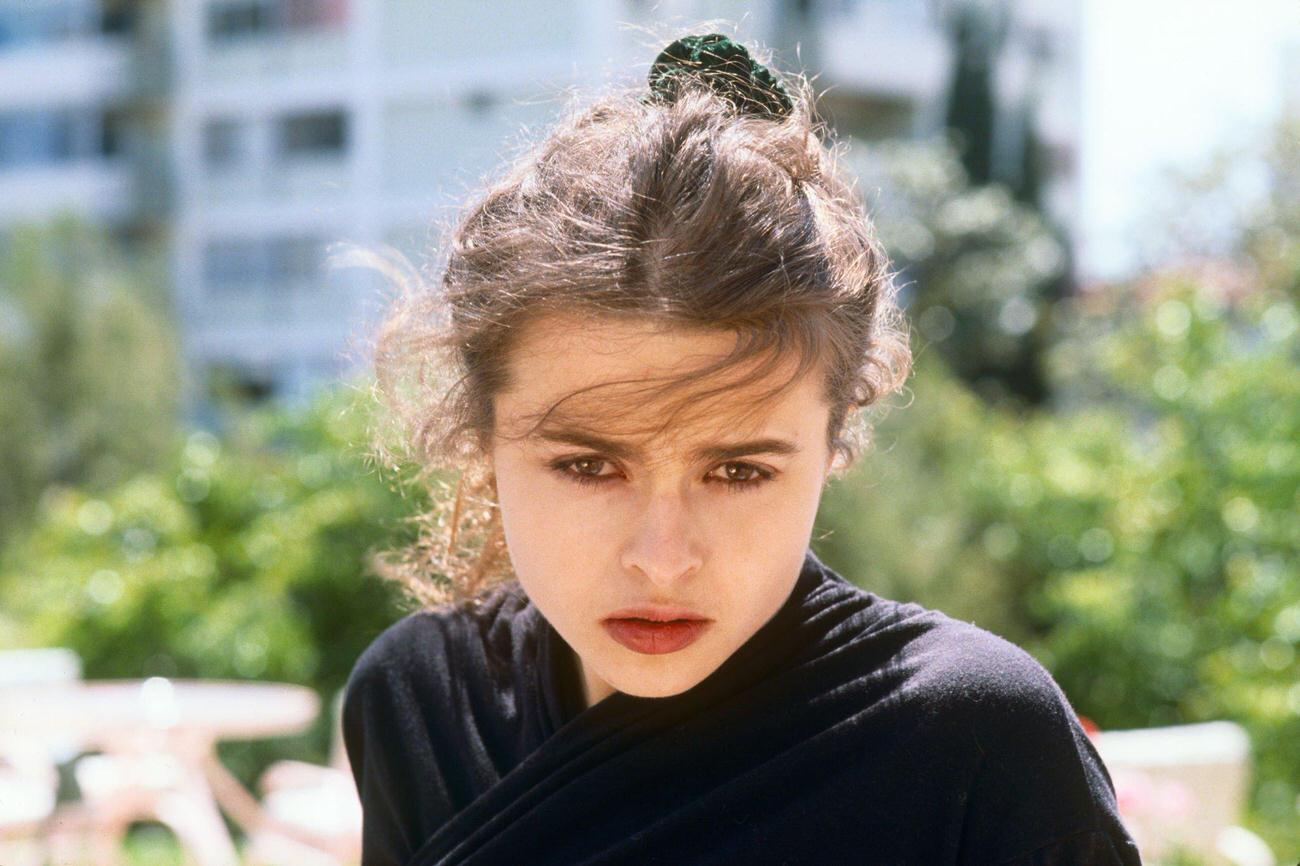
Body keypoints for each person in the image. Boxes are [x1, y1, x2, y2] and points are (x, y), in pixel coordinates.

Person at [341, 32, 1141, 866]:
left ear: (835, 444)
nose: (663, 559)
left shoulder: (973, 740)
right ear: (481, 437)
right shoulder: (418, 702)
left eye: (737, 471)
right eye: (588, 465)